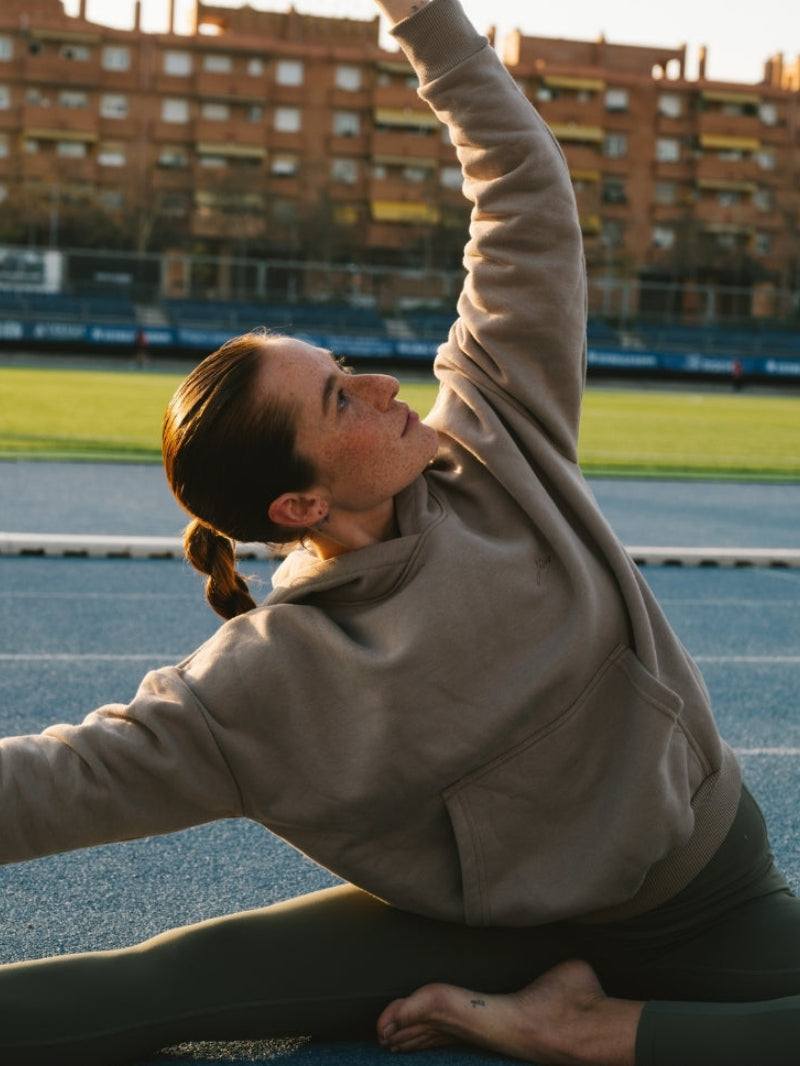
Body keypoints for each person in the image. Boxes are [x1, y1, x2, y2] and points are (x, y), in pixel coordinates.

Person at [0, 2, 799, 1064]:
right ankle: (574, 1021)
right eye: (339, 397)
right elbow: (54, 782)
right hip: (487, 928)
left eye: (344, 367)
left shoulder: (493, 445)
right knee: (161, 983)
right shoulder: (263, 682)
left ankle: (591, 1031)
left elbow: (524, 193)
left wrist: (420, 16)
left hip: (700, 903)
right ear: (298, 507)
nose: (381, 381)